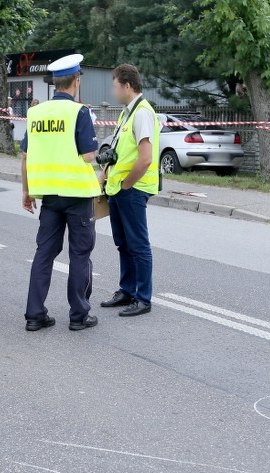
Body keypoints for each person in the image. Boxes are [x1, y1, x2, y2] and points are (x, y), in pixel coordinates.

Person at [21, 54, 100, 332]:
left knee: (44, 253)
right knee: (80, 255)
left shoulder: (35, 113)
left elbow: (25, 155)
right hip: (77, 196)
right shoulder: (80, 112)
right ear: (76, 81)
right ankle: (78, 316)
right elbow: (89, 155)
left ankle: (34, 314)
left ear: (54, 83)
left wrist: (26, 191)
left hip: (49, 197)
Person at [100, 63, 159, 317]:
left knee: (138, 245)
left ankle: (143, 298)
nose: (112, 90)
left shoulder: (142, 113)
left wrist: (126, 184)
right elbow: (121, 151)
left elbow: (145, 158)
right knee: (123, 243)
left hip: (132, 189)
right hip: (118, 189)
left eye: (115, 85)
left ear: (127, 86)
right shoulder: (127, 113)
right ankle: (126, 290)